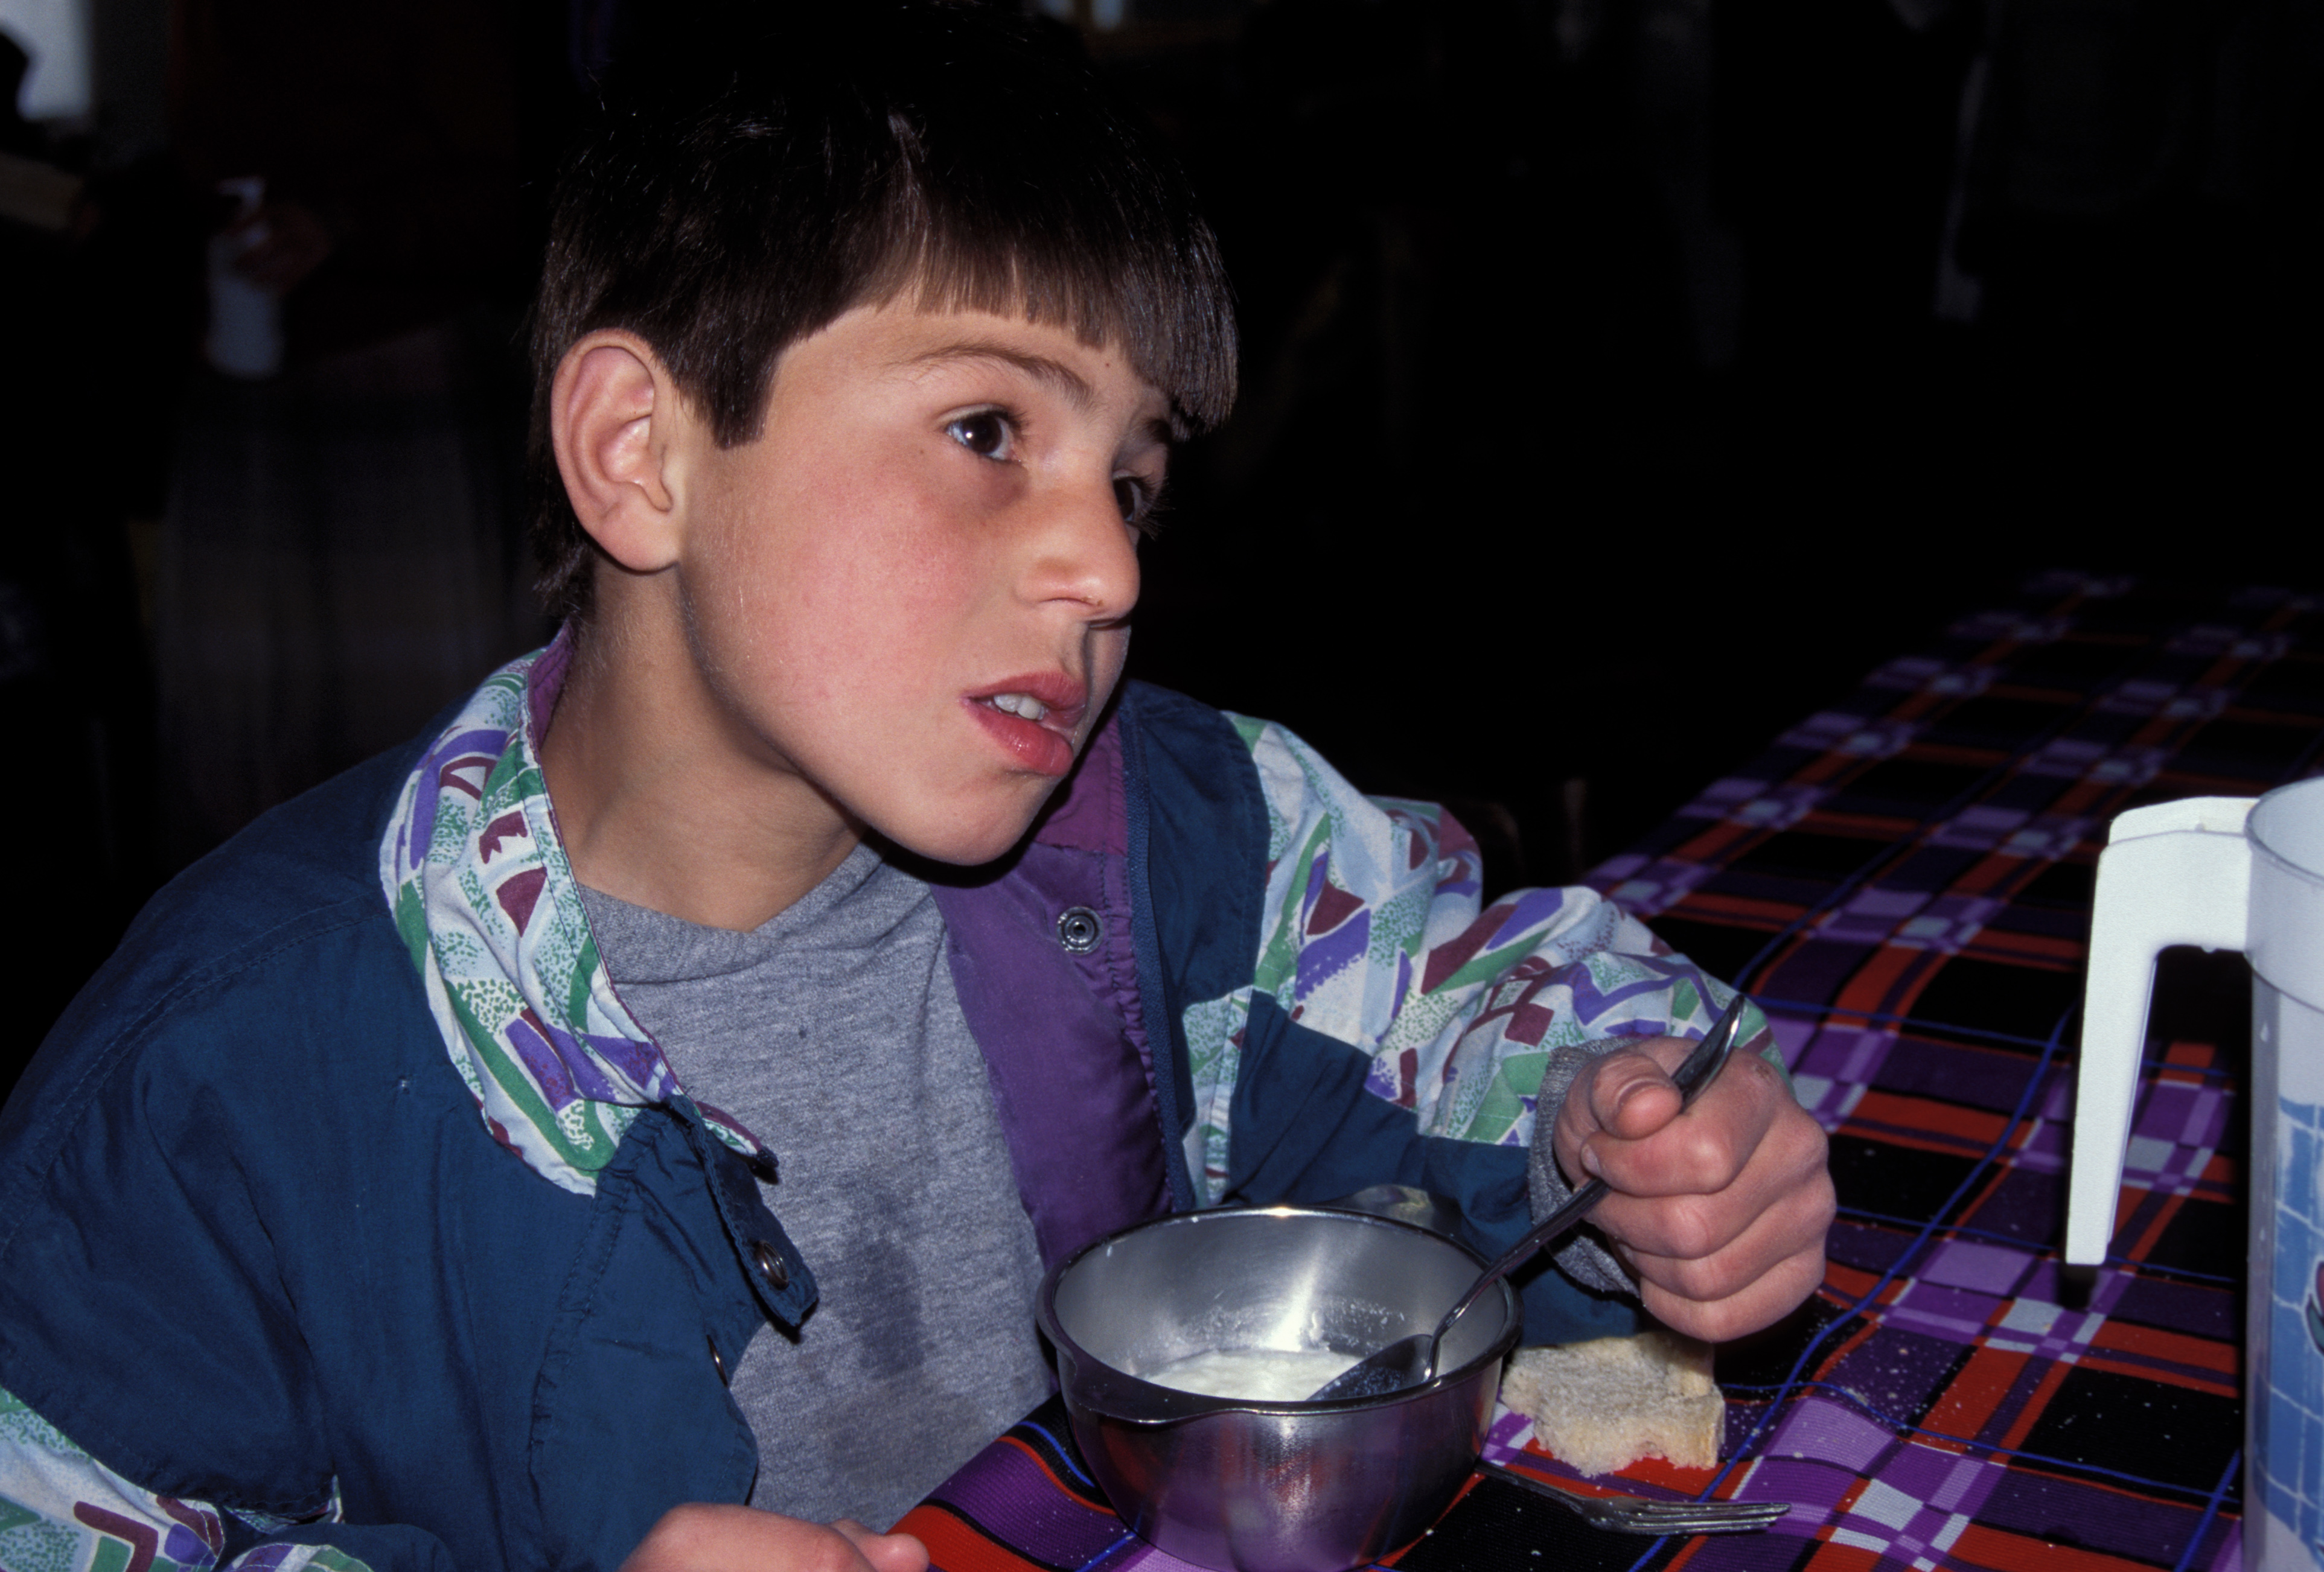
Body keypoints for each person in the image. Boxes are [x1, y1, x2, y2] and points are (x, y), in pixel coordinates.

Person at [0, 8, 1834, 1572]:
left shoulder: (1175, 831)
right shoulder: (221, 1075)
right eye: (985, 432)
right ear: (642, 456)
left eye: (1133, 479)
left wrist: (1624, 1123)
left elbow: (1461, 986)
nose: (1105, 569)